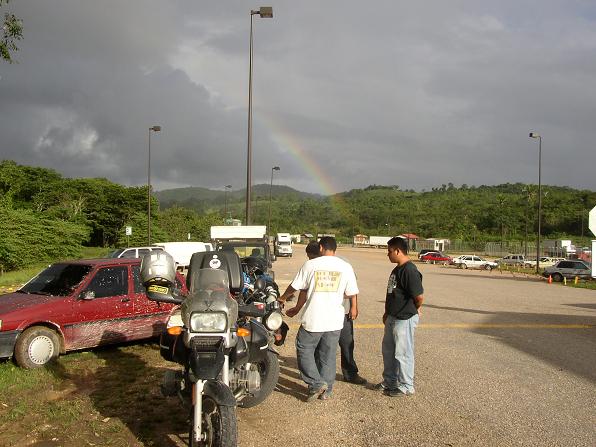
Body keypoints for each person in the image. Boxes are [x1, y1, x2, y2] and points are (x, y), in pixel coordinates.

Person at [279, 237, 359, 401]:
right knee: (327, 355)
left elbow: (296, 286)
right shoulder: (345, 267)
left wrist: (282, 298)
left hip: (314, 318)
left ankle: (316, 383)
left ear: (321, 247)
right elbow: (351, 292)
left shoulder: (311, 265)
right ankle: (326, 390)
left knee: (304, 349)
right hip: (335, 320)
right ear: (335, 249)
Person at [300, 241, 365, 384]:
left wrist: (354, 306)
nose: (311, 261)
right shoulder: (314, 265)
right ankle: (319, 377)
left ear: (320, 251)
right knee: (322, 347)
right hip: (322, 313)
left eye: (311, 257)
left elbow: (352, 288)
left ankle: (350, 373)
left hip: (342, 312)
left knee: (346, 343)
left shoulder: (343, 263)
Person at [375, 236, 424, 397]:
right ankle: (390, 381)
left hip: (404, 318)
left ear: (398, 251)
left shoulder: (409, 270)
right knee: (388, 351)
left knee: (403, 353)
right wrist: (387, 312)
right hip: (392, 317)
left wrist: (412, 310)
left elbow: (419, 297)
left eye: (389, 251)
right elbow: (392, 293)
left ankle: (407, 385)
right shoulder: (397, 269)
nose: (387, 255)